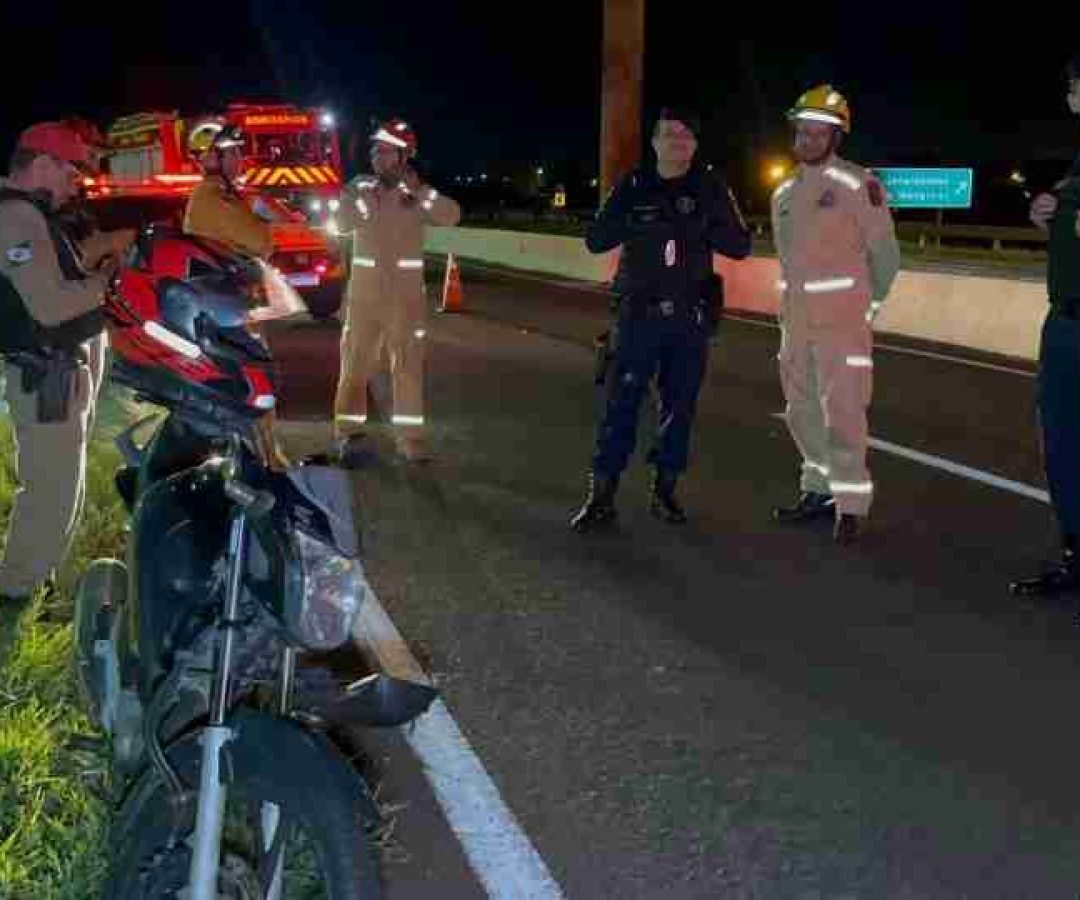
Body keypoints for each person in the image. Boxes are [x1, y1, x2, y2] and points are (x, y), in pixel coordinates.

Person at [570, 108, 751, 532]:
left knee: (680, 408)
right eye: (669, 133)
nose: (678, 140)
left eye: (686, 134)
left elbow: (739, 245)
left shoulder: (710, 187)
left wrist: (702, 224)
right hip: (638, 317)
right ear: (654, 143)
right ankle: (601, 497)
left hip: (689, 318)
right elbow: (596, 240)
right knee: (620, 406)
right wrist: (632, 218)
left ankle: (665, 491)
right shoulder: (633, 186)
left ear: (695, 145)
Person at [769, 85, 900, 545]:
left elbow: (884, 258)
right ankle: (817, 491)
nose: (807, 139)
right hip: (796, 324)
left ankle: (849, 506)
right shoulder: (783, 191)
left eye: (817, 132)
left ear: (835, 136)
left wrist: (864, 310)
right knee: (801, 412)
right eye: (801, 131)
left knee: (843, 414)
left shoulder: (857, 185)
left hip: (841, 325)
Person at [0, 122, 118, 622]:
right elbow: (48, 306)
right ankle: (17, 592)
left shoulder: (35, 215)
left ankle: (33, 578)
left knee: (60, 486)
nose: (77, 182)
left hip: (59, 369)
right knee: (51, 489)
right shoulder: (16, 217)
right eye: (72, 170)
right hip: (45, 374)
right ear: (42, 163)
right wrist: (107, 287)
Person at [333, 117, 461, 464]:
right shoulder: (358, 188)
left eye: (386, 151)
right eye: (375, 150)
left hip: (405, 301)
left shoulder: (418, 193)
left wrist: (417, 192)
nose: (378, 157)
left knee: (407, 367)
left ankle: (410, 440)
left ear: (405, 157)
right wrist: (369, 201)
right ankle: (349, 433)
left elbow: (451, 215)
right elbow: (341, 225)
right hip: (364, 299)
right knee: (356, 365)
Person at [1010, 53, 1080, 598]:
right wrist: (1045, 212)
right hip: (1064, 325)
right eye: (1076, 86)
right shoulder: (1076, 168)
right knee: (1061, 446)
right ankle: (1075, 555)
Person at [182, 118, 289, 469]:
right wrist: (263, 219)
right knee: (249, 392)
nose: (240, 159)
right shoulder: (212, 198)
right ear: (211, 158)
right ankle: (261, 466)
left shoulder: (224, 196)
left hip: (233, 304)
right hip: (226, 311)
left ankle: (267, 461)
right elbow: (262, 241)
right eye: (232, 153)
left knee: (255, 391)